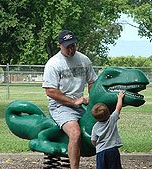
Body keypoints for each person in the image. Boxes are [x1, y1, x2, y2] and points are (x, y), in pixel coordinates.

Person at [42, 30, 98, 169]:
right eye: (68, 46)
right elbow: (50, 91)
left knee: (103, 126)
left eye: (73, 45)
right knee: (75, 132)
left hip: (81, 104)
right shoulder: (54, 63)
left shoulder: (84, 60)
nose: (71, 49)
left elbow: (92, 82)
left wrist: (92, 99)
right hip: (60, 106)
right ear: (59, 45)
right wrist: (72, 101)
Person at [91, 91, 126, 169]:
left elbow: (93, 140)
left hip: (101, 151)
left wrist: (96, 146)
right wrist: (120, 97)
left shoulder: (95, 127)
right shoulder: (112, 119)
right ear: (108, 112)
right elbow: (118, 107)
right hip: (112, 150)